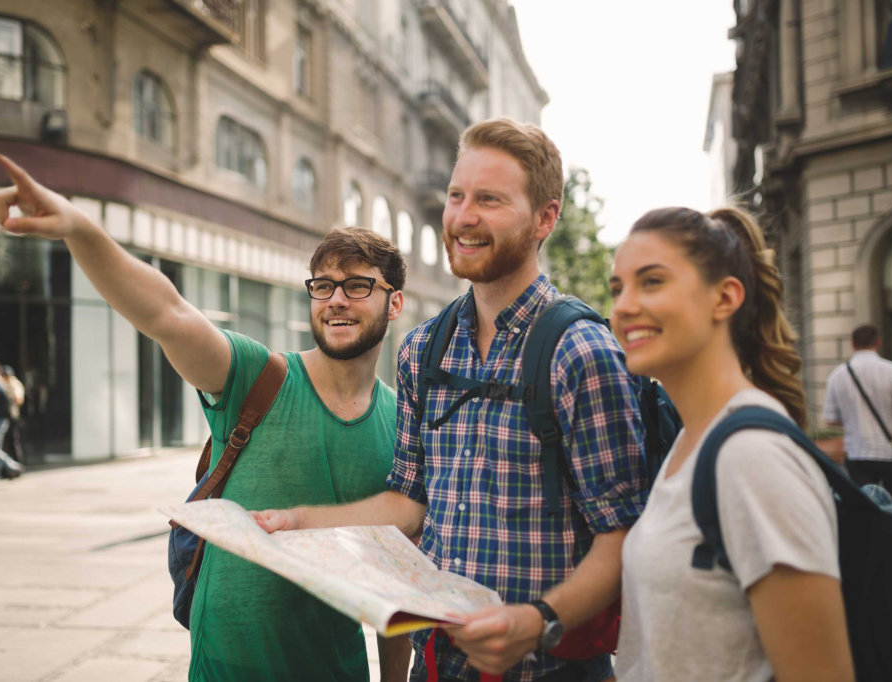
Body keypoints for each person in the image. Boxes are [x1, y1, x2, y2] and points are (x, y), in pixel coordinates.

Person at [0, 153, 413, 682]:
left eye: (357, 286)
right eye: (323, 285)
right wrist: (80, 229)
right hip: (225, 669)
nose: (336, 300)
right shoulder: (260, 376)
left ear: (395, 303)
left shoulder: (403, 422)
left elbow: (398, 574)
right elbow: (167, 313)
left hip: (336, 671)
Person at [255, 118, 647, 682]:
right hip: (438, 666)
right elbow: (408, 504)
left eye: (489, 199)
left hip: (551, 670)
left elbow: (622, 536)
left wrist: (536, 622)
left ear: (545, 218)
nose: (463, 217)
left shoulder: (581, 352)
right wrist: (298, 520)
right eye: (457, 196)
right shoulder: (422, 350)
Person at [608, 207, 853, 681]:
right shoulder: (691, 441)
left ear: (725, 298)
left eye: (652, 282)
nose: (623, 306)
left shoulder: (753, 457)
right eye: (618, 288)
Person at [823, 323, 892, 500]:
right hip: (891, 451)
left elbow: (830, 418)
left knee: (864, 506)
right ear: (878, 342)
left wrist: (853, 418)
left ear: (853, 344)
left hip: (856, 451)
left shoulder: (837, 375)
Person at [0, 365, 26, 467]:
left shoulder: (14, 384)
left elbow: (19, 400)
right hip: (7, 416)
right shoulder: (4, 384)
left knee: (13, 441)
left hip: (13, 417)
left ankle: (18, 465)